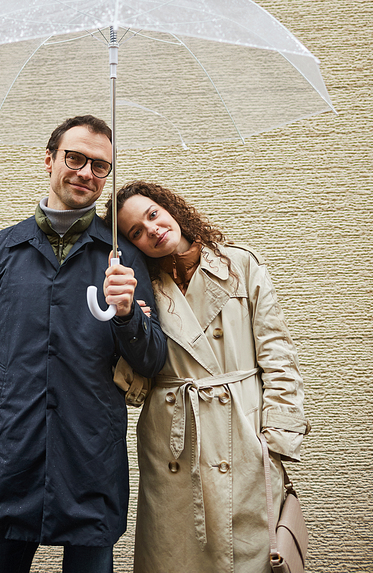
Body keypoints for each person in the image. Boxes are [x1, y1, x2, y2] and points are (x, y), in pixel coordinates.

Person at [0, 117, 167, 573]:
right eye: (76, 158)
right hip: (9, 458)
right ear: (49, 160)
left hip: (91, 460)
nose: (87, 172)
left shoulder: (125, 258)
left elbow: (152, 359)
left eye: (100, 166)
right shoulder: (2, 250)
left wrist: (127, 315)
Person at [105, 181, 310, 573]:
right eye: (136, 232)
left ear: (169, 209)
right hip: (173, 444)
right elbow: (134, 383)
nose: (151, 229)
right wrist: (128, 318)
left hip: (243, 435)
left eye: (152, 214)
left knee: (251, 556)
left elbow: (277, 353)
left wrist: (275, 441)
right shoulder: (138, 286)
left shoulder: (240, 263)